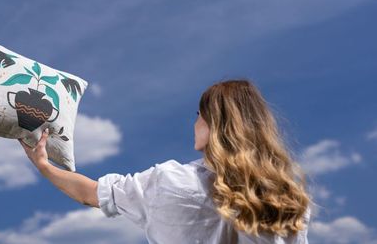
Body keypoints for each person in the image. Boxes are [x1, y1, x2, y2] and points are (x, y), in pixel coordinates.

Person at [19, 79, 313, 243]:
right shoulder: (288, 198)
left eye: (199, 115)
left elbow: (90, 193)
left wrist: (45, 165)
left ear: (213, 123)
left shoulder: (168, 181)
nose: (195, 122)